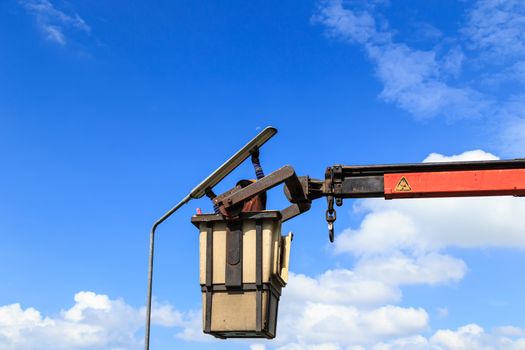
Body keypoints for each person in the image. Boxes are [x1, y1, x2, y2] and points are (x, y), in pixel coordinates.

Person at [206, 148, 266, 214]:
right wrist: (255, 162)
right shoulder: (240, 204)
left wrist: (212, 197)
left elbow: (220, 212)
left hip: (243, 220)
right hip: (246, 220)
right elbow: (262, 182)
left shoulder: (256, 199)